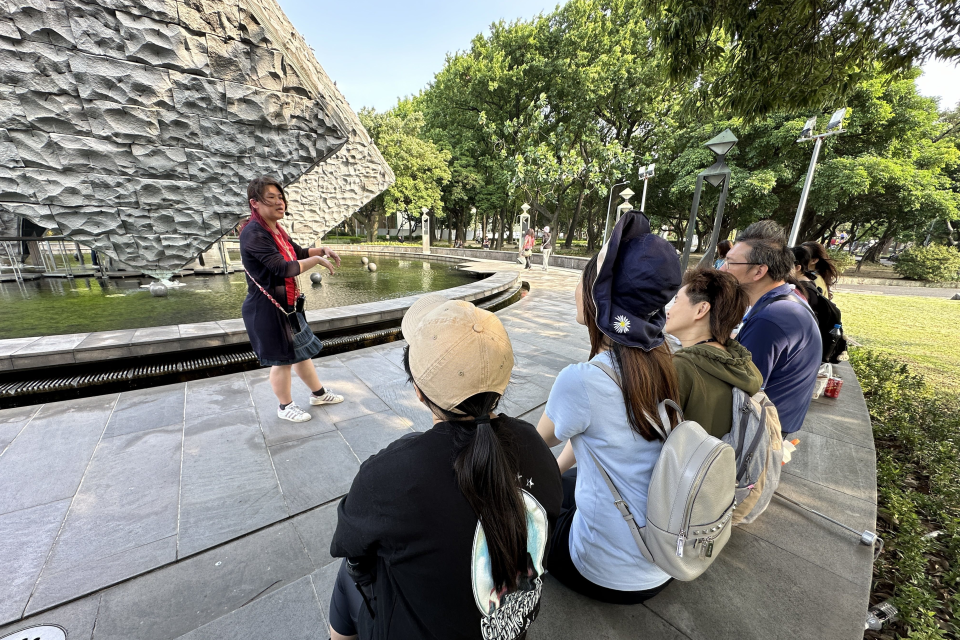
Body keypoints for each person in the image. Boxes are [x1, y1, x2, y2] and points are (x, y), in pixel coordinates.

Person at [328, 295, 562, 640]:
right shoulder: (535, 446)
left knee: (348, 575)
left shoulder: (394, 474)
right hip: (512, 626)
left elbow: (348, 543)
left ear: (419, 392)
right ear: (502, 387)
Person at [536, 210, 681, 604]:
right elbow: (587, 436)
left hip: (603, 574)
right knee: (565, 480)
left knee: (534, 510)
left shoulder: (582, 380)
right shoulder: (664, 357)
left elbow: (536, 447)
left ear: (601, 299)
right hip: (663, 566)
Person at [240, 176, 344, 423]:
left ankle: (318, 394)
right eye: (272, 198)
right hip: (267, 309)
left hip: (287, 307)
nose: (280, 203)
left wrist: (320, 250)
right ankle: (285, 407)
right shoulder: (253, 233)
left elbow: (297, 253)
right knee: (282, 360)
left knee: (300, 353)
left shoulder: (274, 228)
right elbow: (283, 268)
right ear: (254, 203)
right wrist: (317, 262)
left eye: (281, 197)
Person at [721, 221, 821, 437]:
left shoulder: (773, 317)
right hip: (775, 422)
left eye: (729, 263)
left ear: (759, 271)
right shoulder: (784, 301)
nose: (722, 269)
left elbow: (741, 386)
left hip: (760, 433)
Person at [664, 268, 763, 438]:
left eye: (676, 301)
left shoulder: (682, 367)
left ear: (701, 309)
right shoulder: (742, 363)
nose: (669, 310)